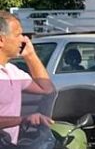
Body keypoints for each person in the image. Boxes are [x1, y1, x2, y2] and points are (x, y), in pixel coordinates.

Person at [0, 11, 55, 140]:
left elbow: (46, 89)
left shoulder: (13, 72)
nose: (24, 39)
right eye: (18, 34)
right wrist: (22, 119)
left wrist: (30, 55)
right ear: (1, 40)